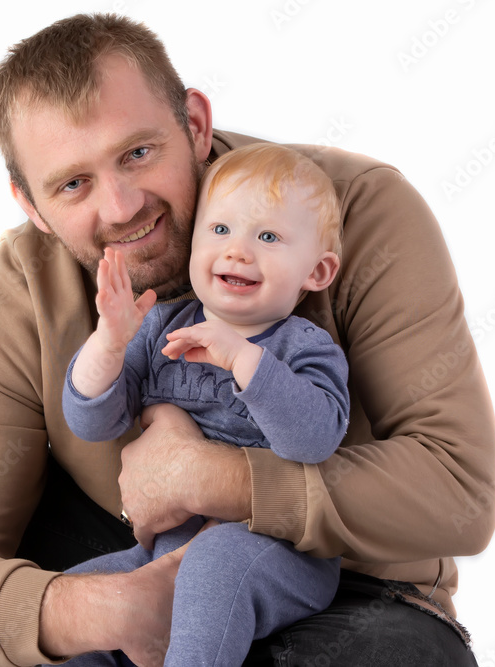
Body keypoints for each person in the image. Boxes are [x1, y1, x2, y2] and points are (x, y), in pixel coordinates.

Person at [0, 12, 495, 667]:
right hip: (138, 561)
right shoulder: (23, 290)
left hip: (346, 589)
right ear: (30, 204)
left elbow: (460, 495)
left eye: (138, 153)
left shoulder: (348, 214)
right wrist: (102, 608)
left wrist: (215, 477)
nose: (123, 205)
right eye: (73, 183)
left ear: (194, 125)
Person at [61, 142, 349, 666]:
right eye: (220, 230)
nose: (238, 250)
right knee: (78, 599)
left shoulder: (303, 346)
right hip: (163, 552)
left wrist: (245, 359)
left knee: (216, 563)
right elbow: (92, 421)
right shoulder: (163, 327)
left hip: (277, 552)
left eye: (268, 236)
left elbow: (315, 438)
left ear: (318, 272)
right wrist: (109, 341)